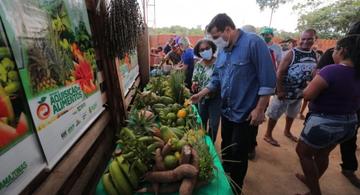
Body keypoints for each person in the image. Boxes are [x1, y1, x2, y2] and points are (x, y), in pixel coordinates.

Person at [191, 13, 276, 193]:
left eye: (215, 37)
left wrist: (260, 109)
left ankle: (235, 189)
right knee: (226, 146)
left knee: (239, 153)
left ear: (228, 30)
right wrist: (201, 93)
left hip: (246, 114)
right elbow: (216, 79)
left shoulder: (254, 43)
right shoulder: (223, 50)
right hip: (227, 111)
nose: (215, 42)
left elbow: (268, 80)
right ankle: (225, 176)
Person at [295, 34, 360, 195]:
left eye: (335, 49)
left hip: (324, 123)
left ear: (342, 51)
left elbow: (308, 95)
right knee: (323, 152)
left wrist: (308, 85)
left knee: (303, 153)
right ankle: (312, 179)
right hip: (349, 123)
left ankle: (315, 192)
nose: (332, 53)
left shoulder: (331, 70)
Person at [315, 21, 360, 188]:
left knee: (332, 145)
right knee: (317, 148)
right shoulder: (332, 54)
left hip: (347, 112)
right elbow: (318, 76)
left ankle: (347, 168)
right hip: (327, 112)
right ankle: (313, 175)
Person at [264, 29, 318, 146]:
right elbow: (280, 72)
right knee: (275, 113)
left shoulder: (314, 54)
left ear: (315, 39)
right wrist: (280, 90)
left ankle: (287, 131)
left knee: (292, 113)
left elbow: (314, 72)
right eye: (303, 39)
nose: (306, 41)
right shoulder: (292, 53)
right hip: (285, 91)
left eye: (309, 39)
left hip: (300, 92)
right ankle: (268, 134)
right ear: (300, 39)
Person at [192, 39, 221, 142]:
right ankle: (202, 142)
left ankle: (211, 144)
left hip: (216, 99)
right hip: (201, 98)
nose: (205, 51)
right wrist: (194, 83)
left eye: (207, 48)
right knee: (202, 121)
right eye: (202, 50)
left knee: (213, 124)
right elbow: (195, 78)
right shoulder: (198, 64)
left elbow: (218, 82)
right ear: (198, 52)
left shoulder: (219, 63)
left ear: (212, 48)